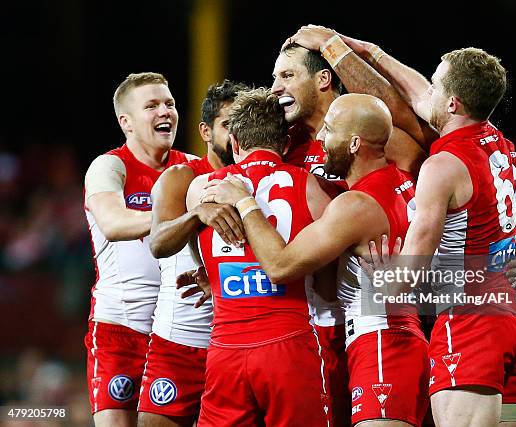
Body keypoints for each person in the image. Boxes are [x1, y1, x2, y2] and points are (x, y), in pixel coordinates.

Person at [328, 36, 516, 427]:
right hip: (512, 322)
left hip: (469, 324)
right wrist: (371, 52)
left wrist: (385, 281)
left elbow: (409, 275)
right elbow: (419, 95)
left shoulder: (443, 166)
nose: (428, 91)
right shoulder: (504, 149)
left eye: (437, 85)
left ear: (452, 103)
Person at [201, 93, 430, 427]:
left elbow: (280, 267)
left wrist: (245, 202)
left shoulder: (355, 205)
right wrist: (498, 266)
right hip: (398, 339)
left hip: (381, 342)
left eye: (330, 129)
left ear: (353, 143)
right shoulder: (406, 183)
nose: (320, 139)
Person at [271, 40, 434, 427]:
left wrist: (242, 205)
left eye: (288, 75)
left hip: (379, 335)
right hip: (366, 331)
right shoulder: (399, 182)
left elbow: (282, 265)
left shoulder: (362, 195)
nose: (277, 86)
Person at [185, 87, 331, 427]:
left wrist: (211, 276)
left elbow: (189, 234)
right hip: (289, 345)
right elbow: (326, 283)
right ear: (283, 145)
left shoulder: (203, 187)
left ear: (234, 144)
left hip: (226, 348)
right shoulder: (312, 188)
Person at [136, 80, 249, 427]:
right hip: (180, 344)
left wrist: (215, 279)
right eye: (228, 124)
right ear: (205, 130)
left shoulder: (256, 181)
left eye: (242, 125)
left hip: (239, 347)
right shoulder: (181, 177)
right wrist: (198, 213)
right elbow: (158, 241)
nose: (236, 135)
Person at [83, 72, 191, 427]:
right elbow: (114, 224)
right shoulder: (110, 166)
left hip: (180, 332)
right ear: (125, 121)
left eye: (170, 104)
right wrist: (188, 215)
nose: (166, 111)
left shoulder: (191, 167)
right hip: (121, 328)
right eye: (152, 105)